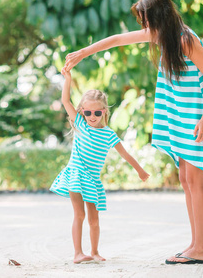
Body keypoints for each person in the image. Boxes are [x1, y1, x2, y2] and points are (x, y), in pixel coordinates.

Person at [63, 0, 203, 265]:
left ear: (158, 17)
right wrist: (83, 52)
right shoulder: (162, 36)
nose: (144, 26)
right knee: (186, 180)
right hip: (185, 118)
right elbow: (117, 40)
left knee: (197, 183)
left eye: (146, 19)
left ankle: (201, 249)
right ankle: (195, 244)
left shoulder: (185, 40)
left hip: (200, 117)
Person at [50, 68, 150, 264]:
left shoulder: (108, 134)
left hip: (93, 181)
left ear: (104, 112)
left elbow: (125, 154)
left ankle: (94, 252)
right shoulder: (79, 123)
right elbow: (65, 101)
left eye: (96, 112)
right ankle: (78, 253)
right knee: (79, 214)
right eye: (87, 112)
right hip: (76, 175)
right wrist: (68, 79)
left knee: (94, 219)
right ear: (82, 112)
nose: (92, 116)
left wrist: (140, 171)